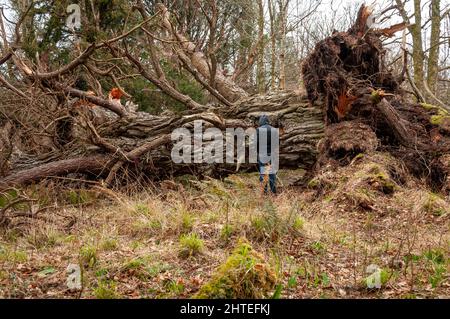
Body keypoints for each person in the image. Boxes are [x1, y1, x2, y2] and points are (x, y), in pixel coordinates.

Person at [256, 115, 279, 194]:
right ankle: (273, 192)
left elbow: (256, 143)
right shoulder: (274, 130)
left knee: (263, 173)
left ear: (261, 121)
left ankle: (264, 192)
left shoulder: (258, 130)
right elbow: (277, 143)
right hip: (272, 154)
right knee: (272, 173)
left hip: (262, 154)